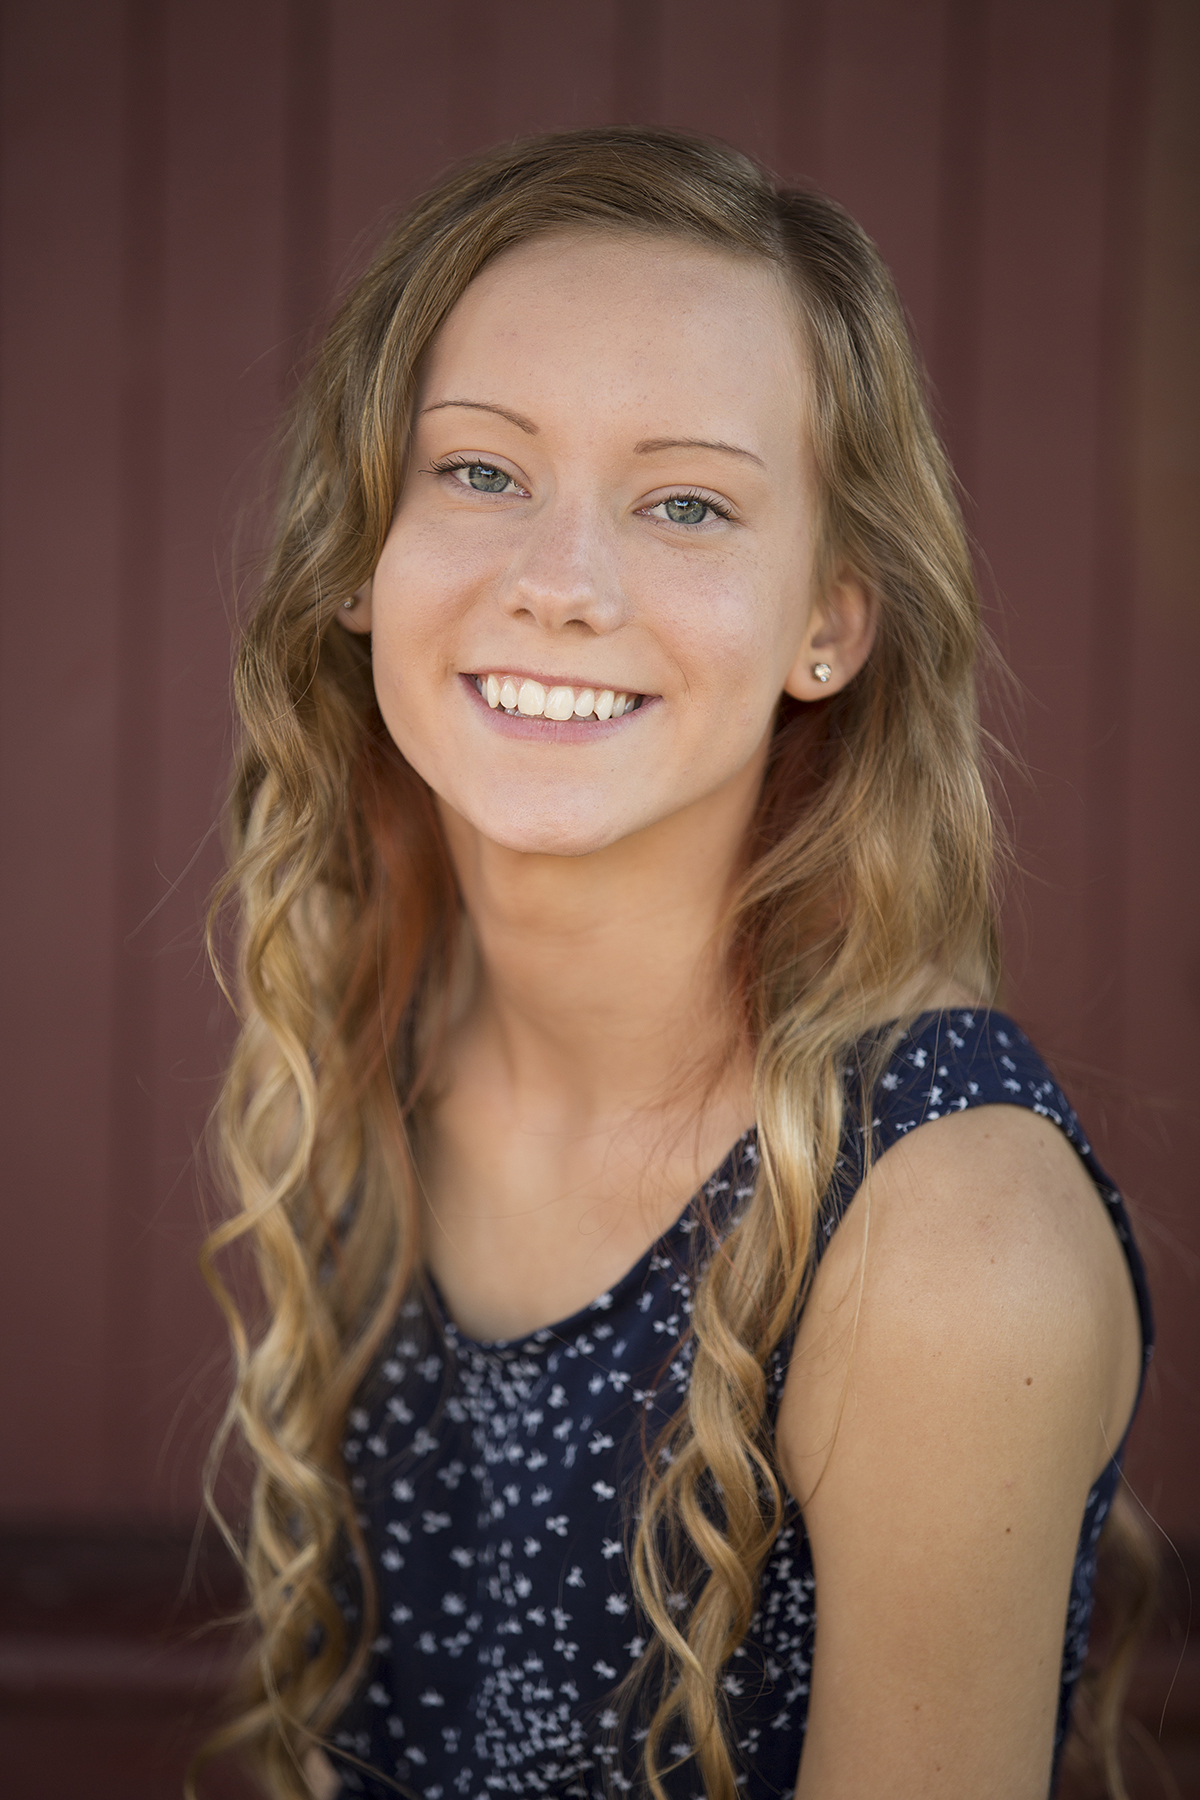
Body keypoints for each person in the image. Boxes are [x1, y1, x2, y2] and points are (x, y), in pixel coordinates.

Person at [199, 129, 1153, 1800]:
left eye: (688, 501)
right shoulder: (382, 1028)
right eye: (481, 472)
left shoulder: (941, 1228)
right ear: (362, 552)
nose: (561, 584)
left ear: (828, 625)